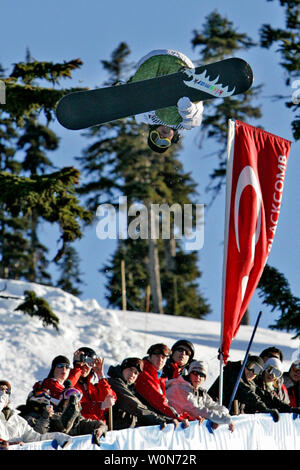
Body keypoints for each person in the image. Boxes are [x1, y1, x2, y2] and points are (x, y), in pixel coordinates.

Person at [129, 49, 204, 153]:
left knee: (141, 102)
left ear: (152, 131)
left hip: (150, 66)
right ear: (172, 139)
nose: (161, 137)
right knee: (182, 120)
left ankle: (125, 85)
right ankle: (183, 78)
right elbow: (195, 113)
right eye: (164, 142)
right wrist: (187, 110)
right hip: (178, 65)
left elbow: (135, 101)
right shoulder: (185, 125)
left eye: (155, 137)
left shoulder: (146, 118)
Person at [18, 384, 107, 445]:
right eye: (40, 394)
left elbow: (99, 425)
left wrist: (100, 430)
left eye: (76, 398)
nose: (43, 397)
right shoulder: (26, 417)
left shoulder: (78, 420)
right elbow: (38, 435)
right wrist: (45, 417)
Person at [107, 357, 178, 430]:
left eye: (136, 373)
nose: (132, 374)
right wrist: (158, 420)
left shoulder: (131, 389)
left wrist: (166, 419)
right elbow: (135, 406)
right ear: (122, 369)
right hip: (111, 435)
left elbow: (145, 408)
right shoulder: (114, 384)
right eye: (130, 369)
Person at [166, 360, 234, 432]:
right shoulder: (180, 388)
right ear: (189, 374)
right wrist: (225, 419)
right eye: (195, 373)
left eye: (201, 375)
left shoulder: (198, 391)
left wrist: (221, 416)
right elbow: (197, 410)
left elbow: (212, 405)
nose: (198, 377)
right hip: (169, 429)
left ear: (204, 378)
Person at [208, 355, 281, 421]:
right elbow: (246, 393)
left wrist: (288, 409)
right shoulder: (232, 375)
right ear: (244, 364)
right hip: (215, 416)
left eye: (256, 370)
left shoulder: (251, 384)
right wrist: (263, 408)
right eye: (250, 366)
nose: (251, 372)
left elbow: (266, 396)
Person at [0, 380, 71, 448]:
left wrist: (58, 436)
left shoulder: (18, 421)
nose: (3, 395)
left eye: (6, 393)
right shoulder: (25, 416)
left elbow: (36, 439)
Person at [134, 343, 188, 426]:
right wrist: (178, 418)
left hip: (151, 420)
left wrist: (188, 417)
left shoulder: (159, 377)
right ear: (149, 357)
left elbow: (168, 403)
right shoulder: (144, 374)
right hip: (141, 423)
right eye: (156, 356)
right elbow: (158, 401)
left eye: (163, 357)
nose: (160, 360)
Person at [67, 347, 116, 423]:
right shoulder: (71, 383)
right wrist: (77, 367)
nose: (85, 367)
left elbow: (109, 398)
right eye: (82, 362)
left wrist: (101, 375)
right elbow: (76, 405)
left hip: (98, 427)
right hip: (80, 427)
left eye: (90, 363)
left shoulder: (91, 387)